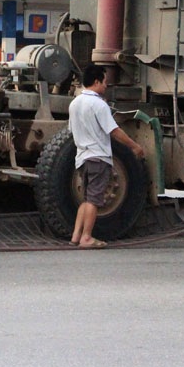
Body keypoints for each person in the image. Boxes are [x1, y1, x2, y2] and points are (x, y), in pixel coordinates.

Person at [68, 64, 145, 248]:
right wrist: (135, 146)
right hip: (98, 157)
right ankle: (87, 237)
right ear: (96, 82)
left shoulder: (74, 103)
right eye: (104, 82)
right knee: (95, 200)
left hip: (82, 157)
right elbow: (114, 131)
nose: (106, 86)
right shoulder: (99, 104)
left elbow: (71, 130)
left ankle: (75, 236)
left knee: (86, 198)